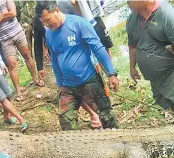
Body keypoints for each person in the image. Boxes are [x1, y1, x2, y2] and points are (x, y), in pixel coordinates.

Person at [35, 1, 119, 130]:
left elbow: (98, 48)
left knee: (107, 117)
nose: (47, 24)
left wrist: (111, 73)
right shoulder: (49, 33)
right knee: (66, 121)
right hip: (68, 85)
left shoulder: (78, 23)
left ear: (57, 10)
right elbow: (55, 60)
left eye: (48, 20)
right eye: (43, 23)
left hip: (88, 80)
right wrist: (60, 84)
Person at [126, 0, 174, 122]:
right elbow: (132, 46)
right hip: (154, 77)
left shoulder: (168, 15)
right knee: (166, 101)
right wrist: (132, 67)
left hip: (173, 71)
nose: (127, 2)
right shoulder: (131, 20)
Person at [0, 0, 44, 101]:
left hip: (18, 32)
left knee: (27, 55)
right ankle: (18, 90)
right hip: (4, 39)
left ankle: (35, 79)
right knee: (12, 64)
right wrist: (3, 13)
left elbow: (13, 13)